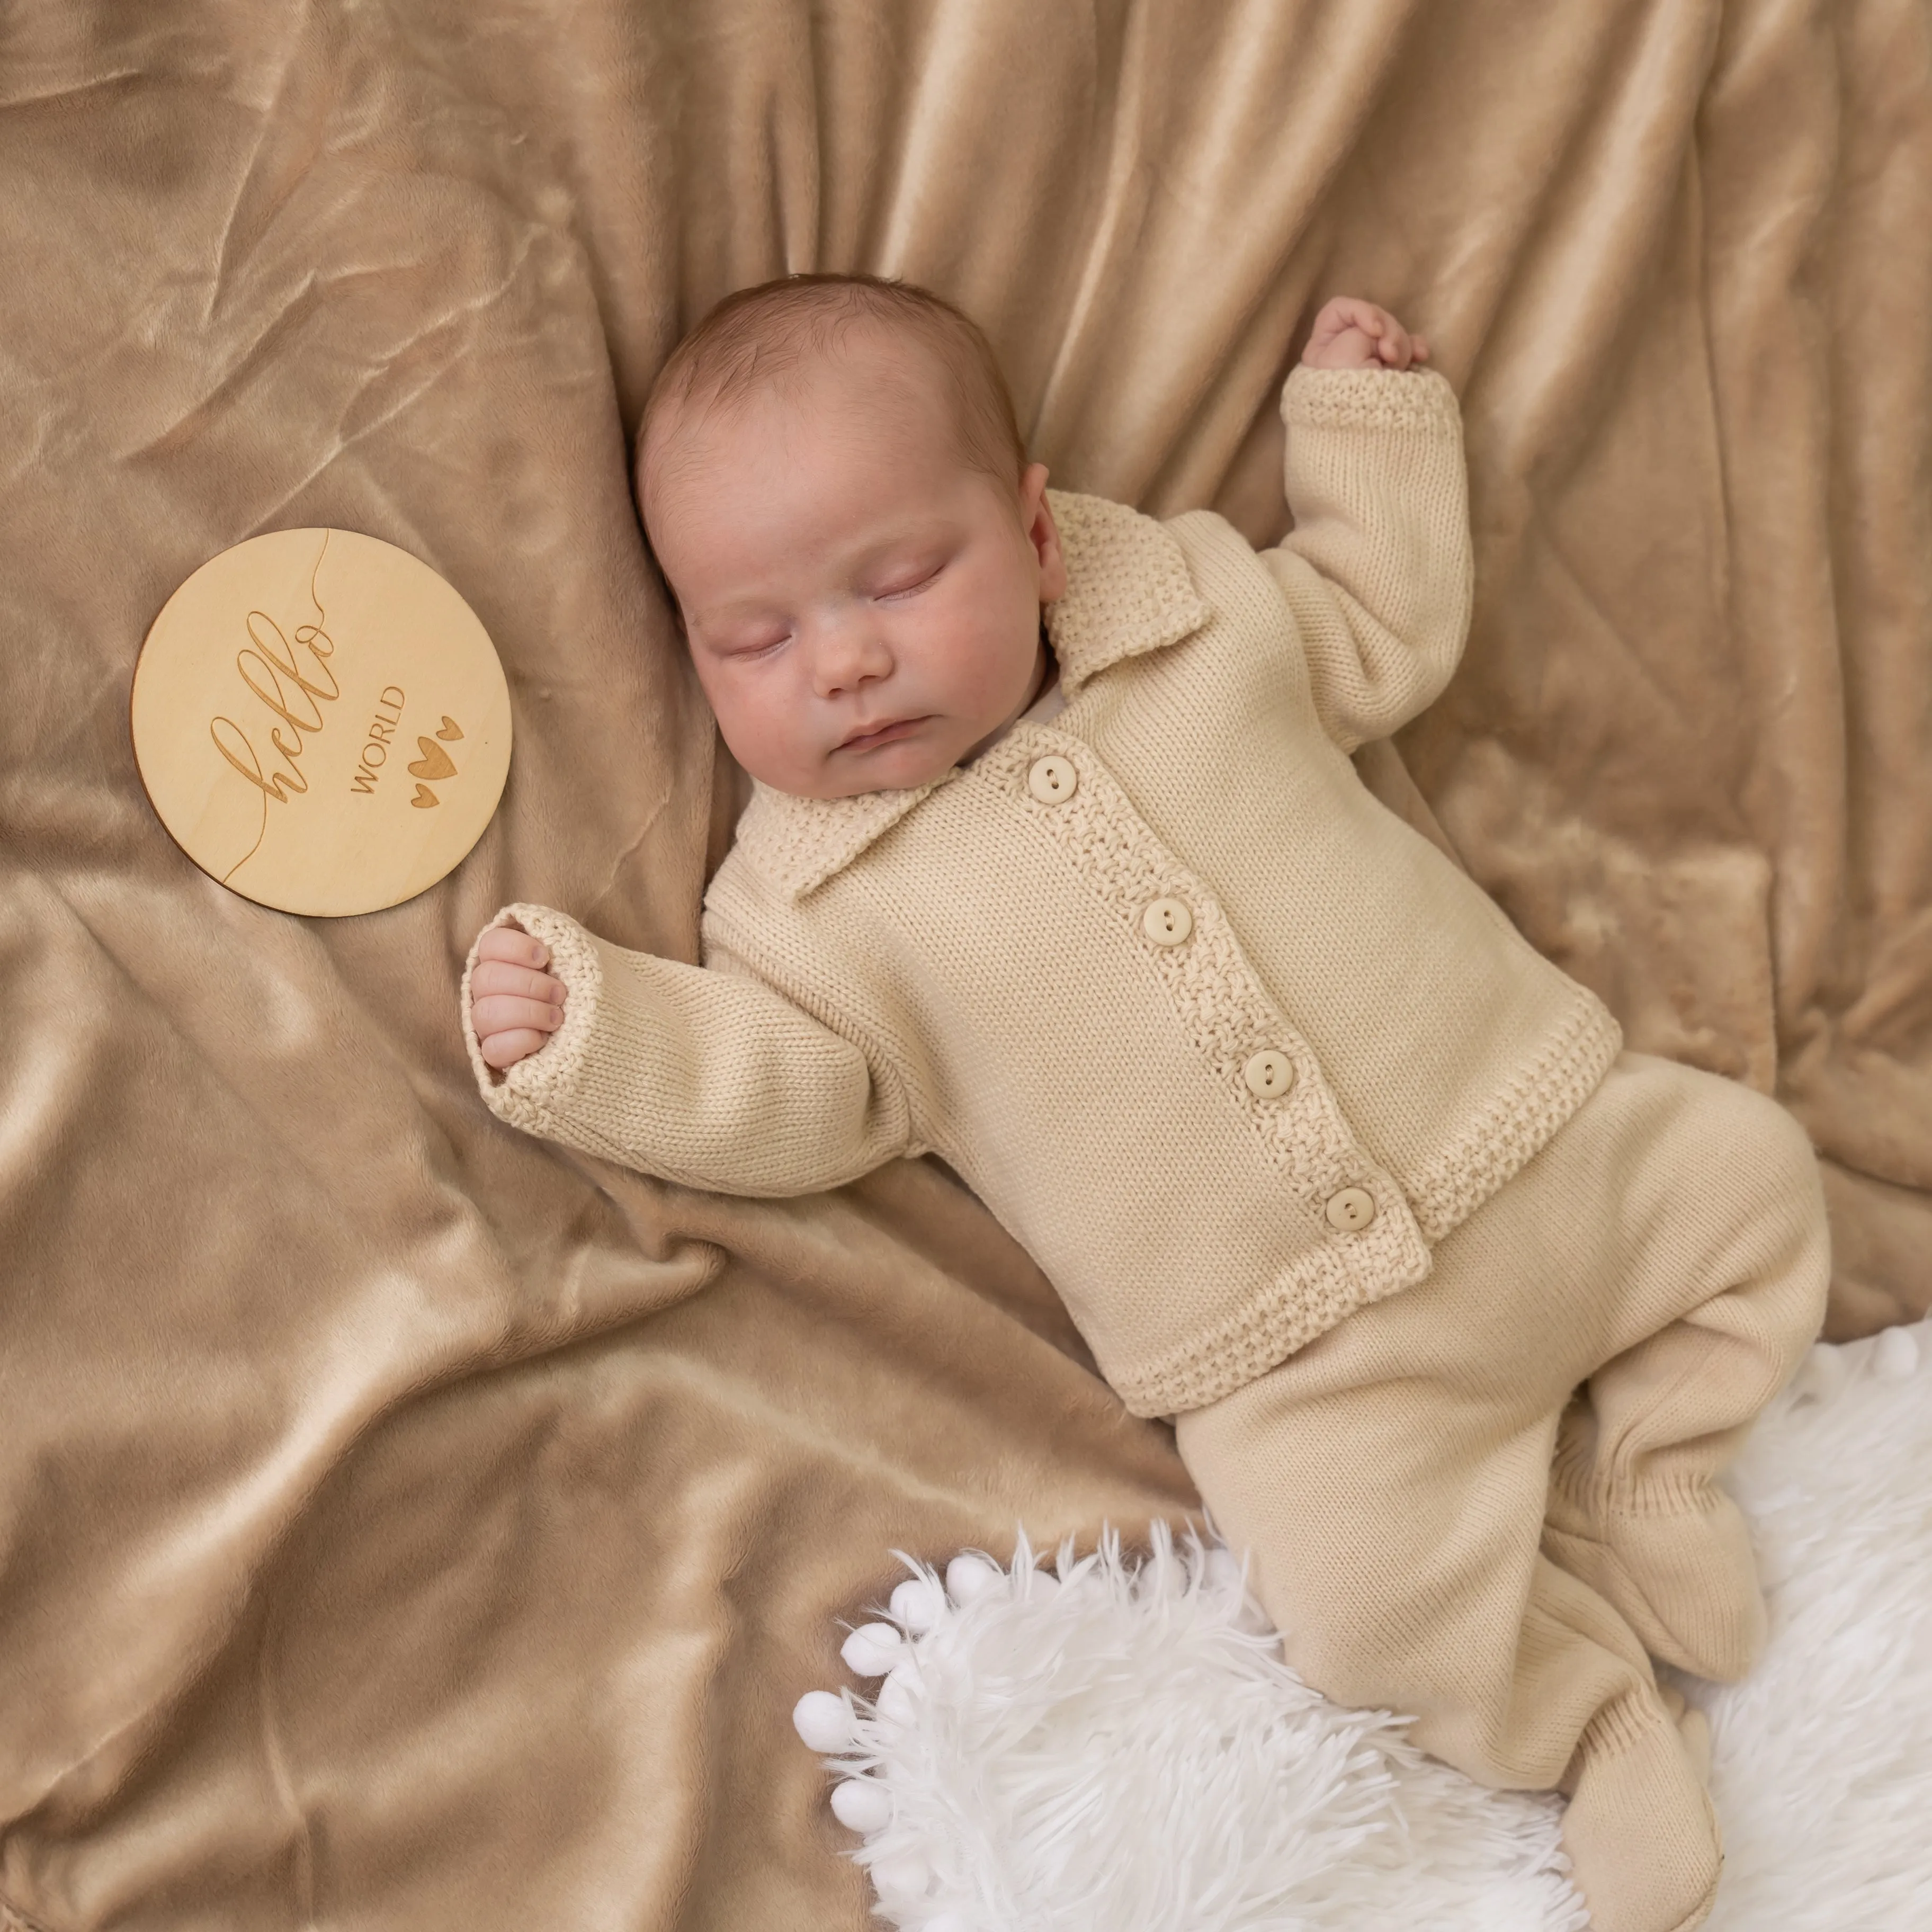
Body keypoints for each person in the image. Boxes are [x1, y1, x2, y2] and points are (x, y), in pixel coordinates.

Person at [461, 273, 1828, 1932]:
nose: (847, 659)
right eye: (754, 636)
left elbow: (1383, 619)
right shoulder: (810, 912)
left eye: (900, 577)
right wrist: (596, 1039)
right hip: (1308, 1367)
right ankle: (1595, 1716)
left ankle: (1660, 1467)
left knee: (1755, 1181)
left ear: (1038, 537)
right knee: (1363, 1617)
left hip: (1553, 1139)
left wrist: (1362, 427)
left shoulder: (1195, 622)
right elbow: (801, 1092)